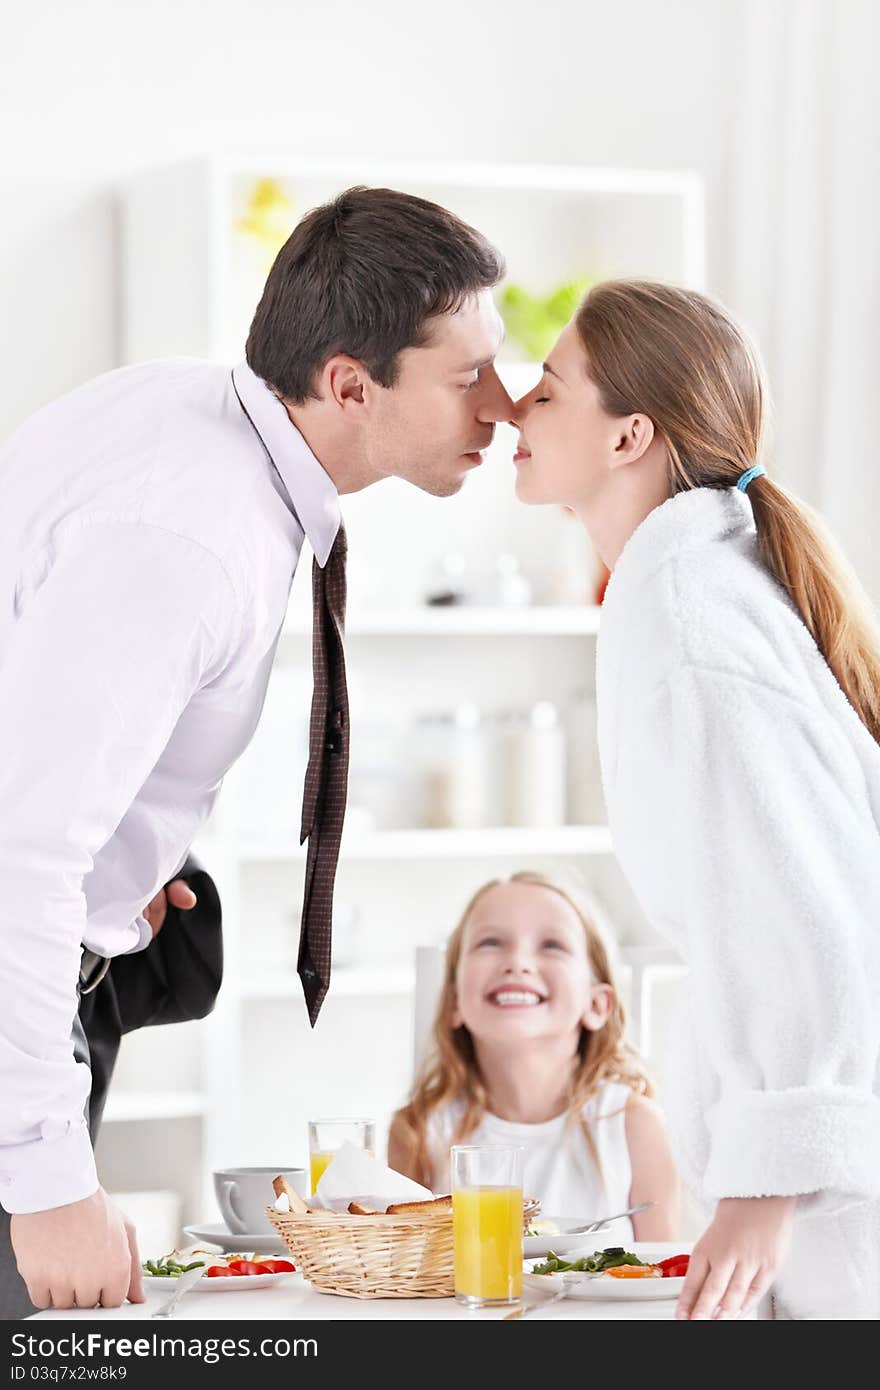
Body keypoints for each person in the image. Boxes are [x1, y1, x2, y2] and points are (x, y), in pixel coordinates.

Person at [0, 185, 514, 1316]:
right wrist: (43, 1181)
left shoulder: (190, 420)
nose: (507, 402)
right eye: (466, 374)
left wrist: (124, 870)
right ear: (346, 383)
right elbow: (21, 855)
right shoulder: (189, 539)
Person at [510, 279, 880, 1320]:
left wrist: (765, 1184)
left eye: (547, 389)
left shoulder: (689, 624)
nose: (511, 408)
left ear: (629, 434)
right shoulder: (695, 592)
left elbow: (814, 911)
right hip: (814, 1161)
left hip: (827, 1188)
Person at [388, 872, 680, 1241]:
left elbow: (662, 1280)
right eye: (491, 942)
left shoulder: (634, 1126)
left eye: (553, 945)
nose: (518, 962)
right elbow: (402, 1283)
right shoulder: (417, 1132)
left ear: (597, 1004)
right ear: (454, 1002)